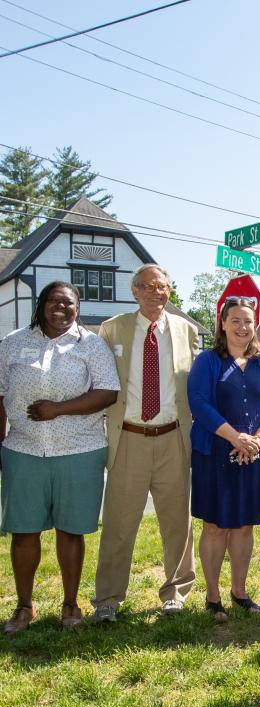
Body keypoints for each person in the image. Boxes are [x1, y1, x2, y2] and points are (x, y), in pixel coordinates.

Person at [0, 282, 119, 633]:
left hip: (79, 450)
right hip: (23, 450)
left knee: (71, 531)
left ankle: (70, 604)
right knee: (23, 533)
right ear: (41, 305)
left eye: (68, 303)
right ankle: (24, 606)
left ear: (77, 309)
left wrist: (58, 410)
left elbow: (107, 392)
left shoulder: (91, 345)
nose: (61, 308)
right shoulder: (13, 342)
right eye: (54, 301)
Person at [93, 264, 199, 622]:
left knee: (177, 523)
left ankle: (176, 591)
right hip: (129, 439)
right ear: (135, 290)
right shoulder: (112, 329)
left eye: (164, 286)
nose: (158, 292)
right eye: (150, 286)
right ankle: (107, 599)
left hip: (173, 438)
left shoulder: (187, 331)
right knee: (119, 523)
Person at [188, 298, 260, 622]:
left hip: (254, 456)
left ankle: (239, 591)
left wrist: (257, 439)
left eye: (248, 321)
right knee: (215, 526)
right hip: (215, 453)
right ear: (223, 323)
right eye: (235, 320)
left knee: (244, 526)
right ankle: (213, 596)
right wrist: (234, 437)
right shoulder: (208, 361)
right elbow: (199, 403)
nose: (243, 327)